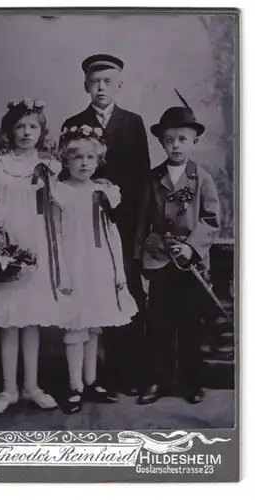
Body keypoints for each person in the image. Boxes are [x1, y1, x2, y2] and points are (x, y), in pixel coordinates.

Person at [0, 99, 75, 414]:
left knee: (32, 318)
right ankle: (8, 389)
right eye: (20, 126)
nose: (27, 132)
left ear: (42, 131)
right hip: (8, 246)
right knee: (9, 319)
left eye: (33, 126)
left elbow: (59, 204)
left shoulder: (49, 165)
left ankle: (32, 387)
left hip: (38, 244)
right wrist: (1, 226)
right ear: (10, 131)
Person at [60, 54, 151, 398]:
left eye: (108, 82)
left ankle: (131, 372)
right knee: (91, 296)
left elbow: (142, 179)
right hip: (85, 225)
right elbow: (65, 172)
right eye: (95, 82)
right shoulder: (75, 122)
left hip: (123, 226)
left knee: (126, 294)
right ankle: (93, 376)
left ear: (119, 85)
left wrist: (139, 231)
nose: (101, 88)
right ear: (86, 85)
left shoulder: (132, 122)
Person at [135, 92, 220, 404]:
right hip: (159, 262)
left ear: (193, 141)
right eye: (169, 140)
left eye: (183, 139)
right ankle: (157, 381)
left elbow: (211, 220)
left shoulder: (202, 178)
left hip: (191, 266)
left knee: (189, 325)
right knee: (158, 325)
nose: (176, 145)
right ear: (162, 143)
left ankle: (191, 382)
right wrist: (143, 256)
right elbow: (143, 222)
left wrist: (192, 248)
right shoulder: (153, 178)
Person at [58, 124, 138, 414]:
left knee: (94, 326)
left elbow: (112, 232)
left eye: (90, 158)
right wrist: (61, 272)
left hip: (100, 262)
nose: (83, 164)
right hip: (74, 263)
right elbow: (54, 235)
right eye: (77, 157)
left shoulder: (105, 190)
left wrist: (118, 273)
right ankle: (74, 385)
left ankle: (91, 380)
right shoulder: (60, 192)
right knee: (75, 323)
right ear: (65, 159)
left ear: (98, 160)